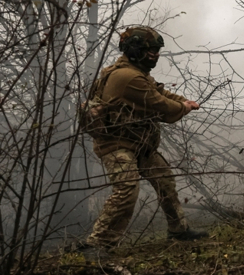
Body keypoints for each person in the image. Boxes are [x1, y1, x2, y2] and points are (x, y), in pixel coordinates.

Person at [82, 26, 208, 252]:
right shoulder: (128, 77)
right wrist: (183, 107)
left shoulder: (134, 71)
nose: (155, 55)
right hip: (116, 144)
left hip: (138, 143)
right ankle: (97, 244)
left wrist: (185, 101)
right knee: (127, 189)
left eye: (157, 51)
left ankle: (178, 230)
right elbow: (162, 107)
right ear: (134, 50)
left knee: (164, 180)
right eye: (150, 51)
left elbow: (159, 91)